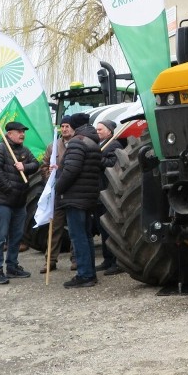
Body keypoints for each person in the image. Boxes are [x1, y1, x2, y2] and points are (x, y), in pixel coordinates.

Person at [0, 121, 40, 285]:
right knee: (0, 237)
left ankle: (12, 266)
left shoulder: (24, 150)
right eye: (19, 132)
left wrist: (24, 166)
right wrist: (9, 188)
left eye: (23, 131)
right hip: (3, 202)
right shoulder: (0, 149)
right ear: (9, 134)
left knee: (17, 236)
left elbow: (36, 165)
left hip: (19, 202)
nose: (22, 134)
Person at [55, 113, 103, 288]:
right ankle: (90, 272)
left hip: (75, 196)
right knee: (86, 235)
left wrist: (58, 187)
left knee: (78, 236)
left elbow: (72, 169)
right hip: (88, 195)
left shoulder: (77, 141)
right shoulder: (93, 142)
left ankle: (85, 275)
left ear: (74, 125)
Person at [38, 115, 77, 273]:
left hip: (73, 191)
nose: (65, 129)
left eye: (68, 126)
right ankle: (50, 260)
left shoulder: (77, 143)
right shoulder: (52, 146)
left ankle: (75, 259)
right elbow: (44, 165)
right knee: (54, 228)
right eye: (63, 126)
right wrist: (50, 177)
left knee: (75, 228)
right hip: (57, 193)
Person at [95, 119, 123, 276]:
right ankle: (107, 259)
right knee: (103, 228)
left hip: (108, 191)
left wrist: (97, 158)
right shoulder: (100, 145)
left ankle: (115, 261)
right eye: (97, 129)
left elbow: (112, 164)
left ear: (109, 131)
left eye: (100, 129)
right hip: (99, 193)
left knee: (110, 229)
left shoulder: (114, 145)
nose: (97, 131)